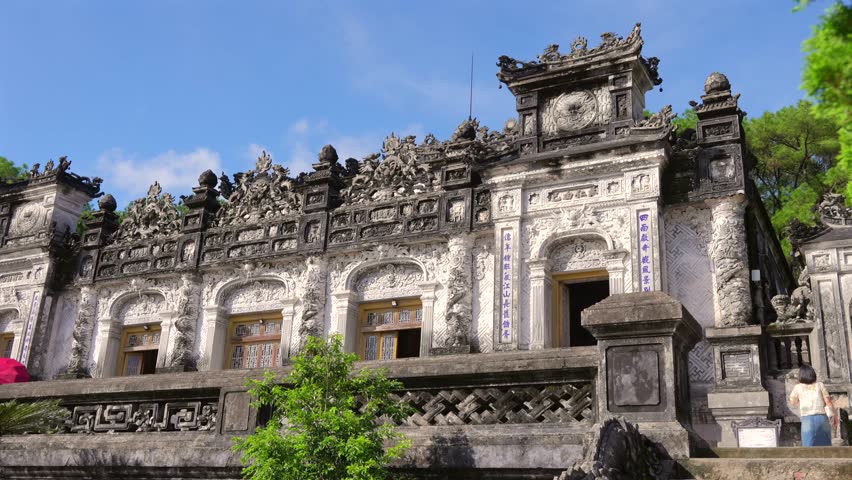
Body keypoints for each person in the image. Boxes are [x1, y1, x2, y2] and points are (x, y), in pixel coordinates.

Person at [789, 364, 836, 446]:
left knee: (808, 445)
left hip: (807, 418)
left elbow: (793, 402)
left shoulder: (798, 387)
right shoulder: (820, 385)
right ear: (813, 374)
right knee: (826, 445)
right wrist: (834, 415)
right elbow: (828, 402)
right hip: (822, 418)